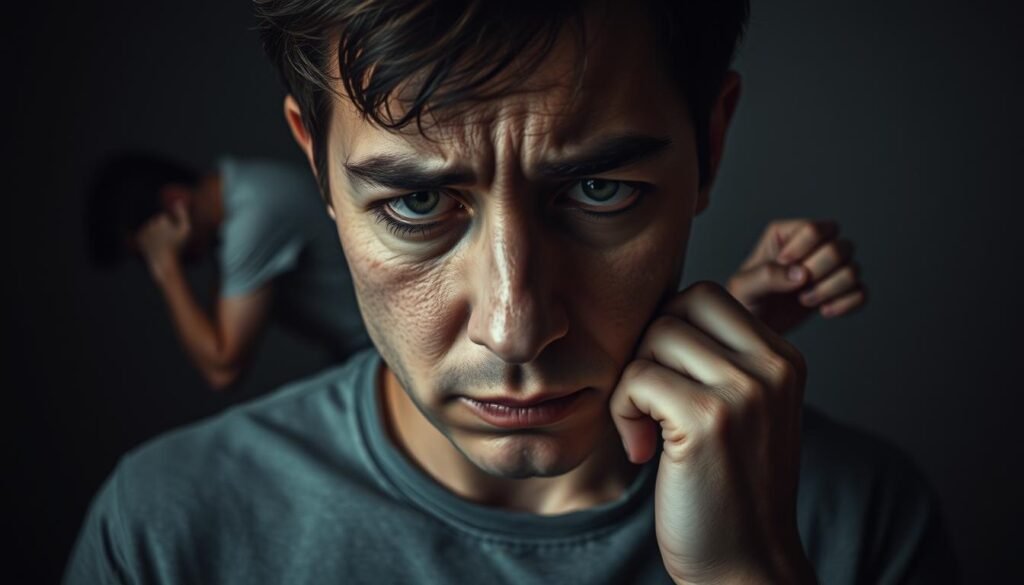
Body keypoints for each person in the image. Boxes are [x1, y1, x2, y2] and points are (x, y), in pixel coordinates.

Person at [66, 1, 955, 583]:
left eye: (599, 191)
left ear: (710, 147)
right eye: (416, 202)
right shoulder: (164, 533)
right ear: (319, 170)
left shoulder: (855, 520)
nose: (515, 328)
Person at [86, 153, 370, 390]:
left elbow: (222, 369)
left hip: (376, 352)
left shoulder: (252, 218)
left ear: (175, 203)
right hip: (357, 354)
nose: (154, 261)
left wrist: (166, 267)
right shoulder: (239, 194)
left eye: (149, 251)